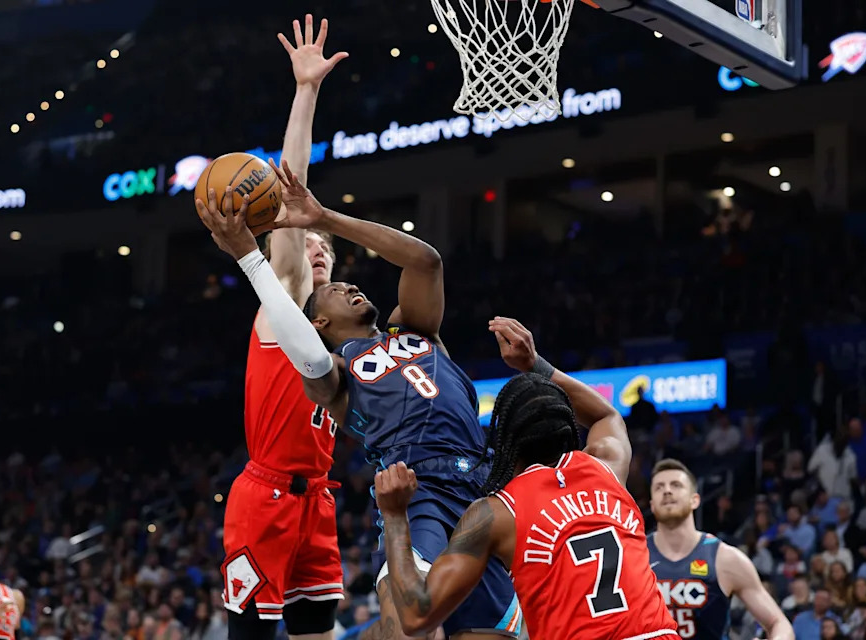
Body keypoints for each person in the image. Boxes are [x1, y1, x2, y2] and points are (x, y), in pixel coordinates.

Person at [197, 168, 520, 639]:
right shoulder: (335, 374)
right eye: (334, 291)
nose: (348, 286)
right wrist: (249, 255)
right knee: (410, 623)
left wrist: (324, 216)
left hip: (485, 482)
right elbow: (301, 348)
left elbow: (426, 262)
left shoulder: (414, 328)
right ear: (321, 322)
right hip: (417, 487)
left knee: (493, 632)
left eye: (349, 284)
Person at [372, 317, 680, 640]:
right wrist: (535, 364)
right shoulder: (606, 465)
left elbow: (417, 615)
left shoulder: (496, 513)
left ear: (503, 444)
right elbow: (607, 415)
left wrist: (394, 516)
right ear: (568, 425)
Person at [216, 15, 348, 640]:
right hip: (264, 498)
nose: (317, 248)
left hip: (319, 498)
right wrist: (306, 93)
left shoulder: (346, 327)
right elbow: (292, 205)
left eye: (328, 246)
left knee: (318, 631)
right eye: (308, 244)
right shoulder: (285, 301)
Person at [648, 458, 794, 640]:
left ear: (695, 500)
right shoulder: (632, 557)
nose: (667, 491)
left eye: (676, 485)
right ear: (652, 505)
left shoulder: (725, 558)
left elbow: (779, 624)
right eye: (659, 487)